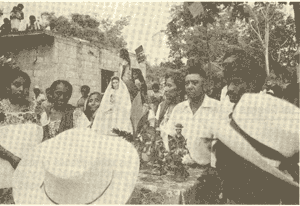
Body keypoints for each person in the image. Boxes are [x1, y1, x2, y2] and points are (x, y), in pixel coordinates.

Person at [188, 49, 298, 204]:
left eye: (237, 82)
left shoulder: (266, 111)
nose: (230, 89)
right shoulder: (232, 106)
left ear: (253, 83)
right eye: (229, 82)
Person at [156, 71, 186, 151]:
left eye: (169, 85)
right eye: (165, 85)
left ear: (179, 89)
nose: (165, 89)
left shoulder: (185, 109)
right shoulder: (162, 106)